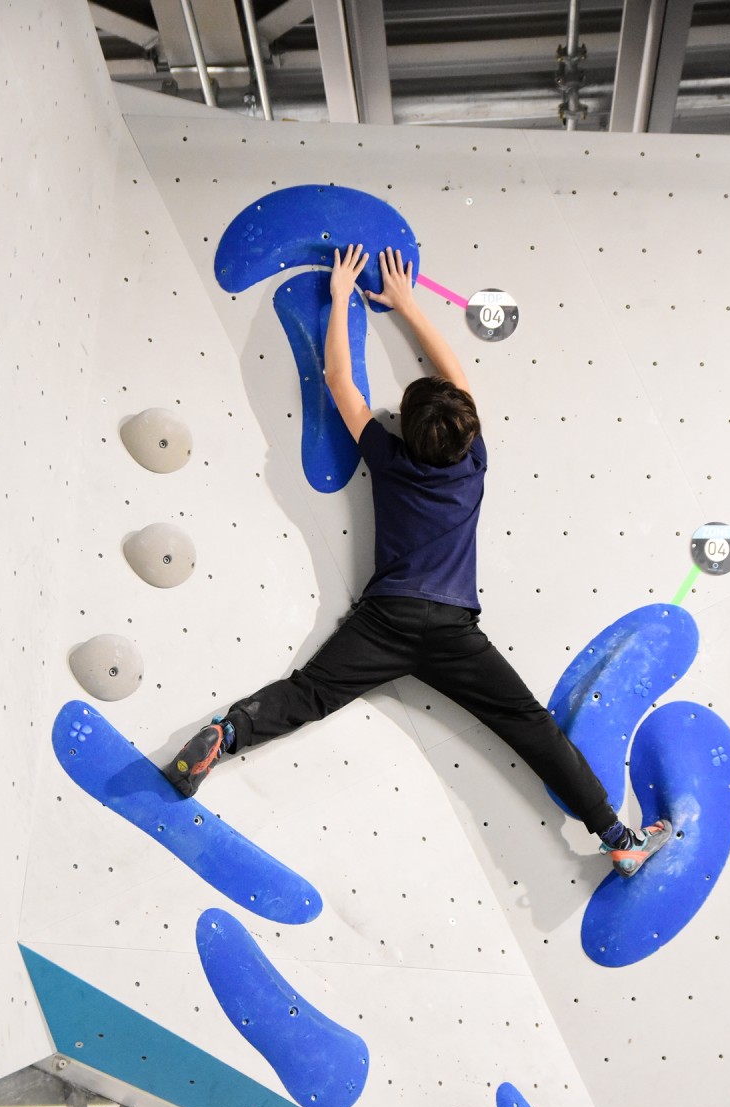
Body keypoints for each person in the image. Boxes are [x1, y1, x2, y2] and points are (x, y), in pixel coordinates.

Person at [164, 245, 670, 877]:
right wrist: (406, 303)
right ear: (466, 429)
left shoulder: (387, 455)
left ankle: (231, 733)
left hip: (385, 621)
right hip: (454, 632)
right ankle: (618, 836)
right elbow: (455, 377)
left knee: (311, 693)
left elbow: (342, 385)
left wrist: (342, 295)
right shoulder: (471, 461)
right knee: (530, 728)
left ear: (402, 425)